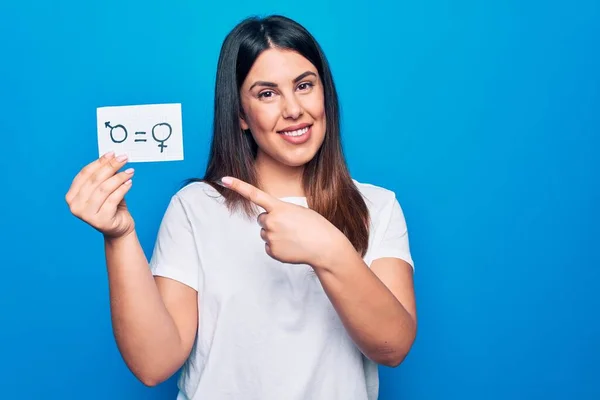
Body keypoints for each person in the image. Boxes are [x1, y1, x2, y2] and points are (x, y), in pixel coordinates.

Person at [65, 14, 417, 400]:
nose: (294, 109)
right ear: (241, 115)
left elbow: (393, 347)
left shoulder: (377, 207)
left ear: (324, 93)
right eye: (267, 94)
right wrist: (120, 236)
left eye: (304, 85)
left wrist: (329, 249)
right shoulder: (195, 207)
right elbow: (154, 364)